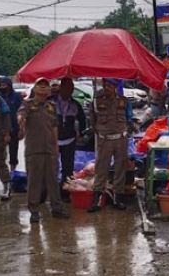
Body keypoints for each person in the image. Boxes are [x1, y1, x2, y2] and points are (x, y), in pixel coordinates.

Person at [18, 78, 69, 223]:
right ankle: (34, 210)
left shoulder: (51, 106)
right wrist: (21, 119)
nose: (43, 88)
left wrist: (56, 146)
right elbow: (22, 114)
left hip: (50, 149)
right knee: (34, 181)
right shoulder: (27, 104)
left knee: (53, 179)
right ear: (34, 89)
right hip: (34, 149)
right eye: (40, 86)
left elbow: (54, 126)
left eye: (45, 86)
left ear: (49, 90)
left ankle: (56, 208)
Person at [88, 78, 132, 212]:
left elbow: (129, 118)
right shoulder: (97, 101)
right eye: (105, 85)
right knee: (101, 169)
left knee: (120, 169)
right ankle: (96, 201)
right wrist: (102, 132)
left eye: (110, 85)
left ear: (115, 86)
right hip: (104, 139)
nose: (107, 88)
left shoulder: (124, 101)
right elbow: (92, 121)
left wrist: (125, 131)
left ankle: (118, 199)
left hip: (121, 139)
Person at [55, 77, 87, 200]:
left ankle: (65, 194)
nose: (70, 90)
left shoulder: (75, 105)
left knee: (67, 169)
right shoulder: (50, 102)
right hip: (53, 140)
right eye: (67, 87)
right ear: (61, 87)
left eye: (71, 88)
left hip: (69, 140)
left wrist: (81, 133)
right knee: (51, 168)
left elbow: (83, 120)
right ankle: (51, 193)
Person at [0, 77, 23, 171]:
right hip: (1, 130)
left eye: (4, 85)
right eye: (1, 85)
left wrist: (22, 129)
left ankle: (13, 172)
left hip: (14, 129)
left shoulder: (17, 97)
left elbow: (22, 112)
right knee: (0, 153)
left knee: (13, 152)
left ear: (9, 85)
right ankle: (2, 172)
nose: (3, 87)